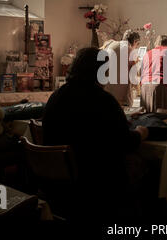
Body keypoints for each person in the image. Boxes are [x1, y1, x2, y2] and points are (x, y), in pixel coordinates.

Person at [42, 47, 151, 220]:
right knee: (149, 167)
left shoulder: (56, 96)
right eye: (106, 70)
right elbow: (125, 142)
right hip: (95, 179)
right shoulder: (103, 100)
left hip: (57, 180)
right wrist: (140, 133)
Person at [101, 30, 141, 106]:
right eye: (137, 45)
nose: (136, 48)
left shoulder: (110, 44)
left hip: (106, 91)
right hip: (120, 97)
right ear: (135, 41)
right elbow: (133, 78)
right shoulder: (130, 51)